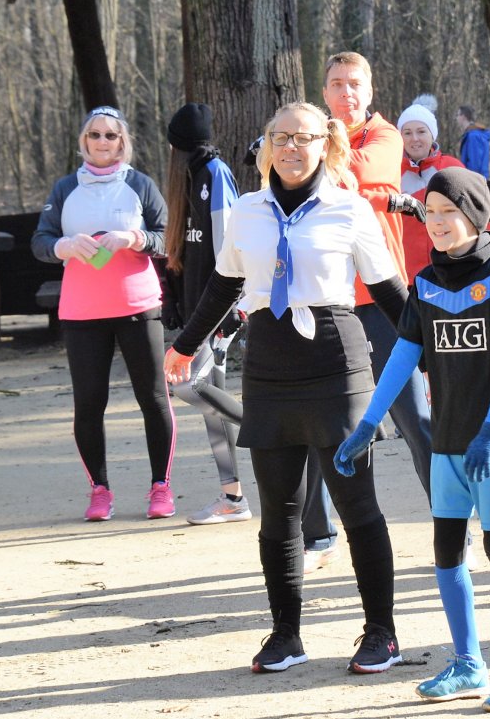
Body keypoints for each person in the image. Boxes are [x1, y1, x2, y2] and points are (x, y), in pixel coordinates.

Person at [166, 102, 408, 675]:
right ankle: (285, 635)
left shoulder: (349, 208)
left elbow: (390, 292)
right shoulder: (247, 210)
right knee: (279, 511)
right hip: (269, 361)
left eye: (304, 138)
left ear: (325, 144)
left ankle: (381, 633)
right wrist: (183, 346)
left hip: (336, 361)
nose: (292, 148)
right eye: (281, 138)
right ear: (267, 145)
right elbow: (224, 284)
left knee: (356, 504)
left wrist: (429, 352)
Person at [336, 168, 490, 712]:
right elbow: (402, 357)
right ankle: (468, 663)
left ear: (475, 216)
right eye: (429, 213)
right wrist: (368, 424)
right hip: (449, 437)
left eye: (448, 212)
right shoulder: (427, 281)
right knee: (447, 547)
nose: (436, 222)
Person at [33, 105, 179, 523]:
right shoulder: (65, 188)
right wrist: (63, 246)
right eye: (94, 135)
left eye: (110, 135)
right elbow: (40, 241)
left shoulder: (140, 184)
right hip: (82, 311)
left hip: (137, 306)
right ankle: (100, 491)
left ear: (122, 141)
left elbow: (166, 238)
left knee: (153, 398)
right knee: (88, 403)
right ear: (84, 141)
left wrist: (134, 238)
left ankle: (161, 486)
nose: (102, 142)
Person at [324, 53, 435, 502]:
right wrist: (380, 198)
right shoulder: (314, 133)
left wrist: (316, 168)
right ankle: (322, 531)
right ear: (325, 92)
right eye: (337, 84)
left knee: (415, 418)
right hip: (327, 300)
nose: (346, 92)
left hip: (380, 298)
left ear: (369, 91)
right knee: (324, 425)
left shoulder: (386, 135)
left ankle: (452, 520)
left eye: (354, 84)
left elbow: (353, 173)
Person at [163, 103, 256, 528]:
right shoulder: (184, 180)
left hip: (216, 311)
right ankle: (232, 496)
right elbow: (182, 249)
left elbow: (231, 247)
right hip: (194, 311)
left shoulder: (215, 174)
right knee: (209, 403)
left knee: (186, 384)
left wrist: (233, 308)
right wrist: (173, 301)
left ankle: (266, 429)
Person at [398, 99, 463, 279]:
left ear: (432, 135)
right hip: (405, 272)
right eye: (407, 133)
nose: (414, 139)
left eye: (421, 131)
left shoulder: (452, 168)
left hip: (450, 268)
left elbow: (475, 214)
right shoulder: (391, 171)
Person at [456, 106, 490, 179]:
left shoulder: (473, 136)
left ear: (463, 116)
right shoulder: (471, 134)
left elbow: (475, 163)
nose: (456, 118)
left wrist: (471, 180)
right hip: (475, 178)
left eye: (458, 115)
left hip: (474, 179)